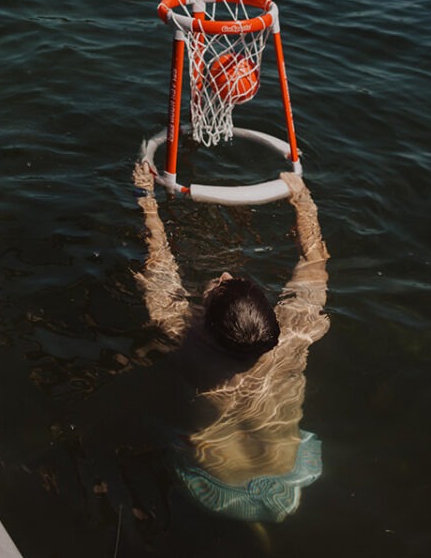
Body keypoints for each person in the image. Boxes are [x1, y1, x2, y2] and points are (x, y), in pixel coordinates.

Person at [132, 161, 329, 524]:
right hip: (293, 468)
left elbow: (157, 259)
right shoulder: (294, 335)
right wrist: (302, 198)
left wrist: (145, 195)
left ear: (206, 329)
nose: (223, 274)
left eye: (218, 287)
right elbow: (313, 257)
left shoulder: (180, 336)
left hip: (215, 483)